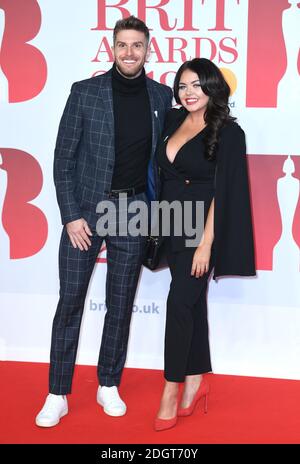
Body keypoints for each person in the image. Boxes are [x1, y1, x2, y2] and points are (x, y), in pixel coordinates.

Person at [35, 15, 172, 427]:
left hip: (132, 212)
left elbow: (170, 155)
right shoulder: (85, 92)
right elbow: (63, 159)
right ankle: (57, 392)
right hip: (86, 215)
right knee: (71, 302)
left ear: (149, 50)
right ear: (112, 48)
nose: (130, 52)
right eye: (123, 45)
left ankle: (107, 384)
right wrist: (71, 216)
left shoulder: (162, 96)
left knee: (120, 305)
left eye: (137, 45)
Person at [154, 58, 256, 431]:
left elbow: (223, 191)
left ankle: (171, 387)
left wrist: (204, 245)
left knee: (179, 302)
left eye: (197, 85)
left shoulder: (229, 132)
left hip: (202, 231)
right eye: (182, 86)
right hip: (169, 225)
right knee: (191, 304)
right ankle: (196, 379)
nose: (188, 92)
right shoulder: (170, 121)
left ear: (213, 87)